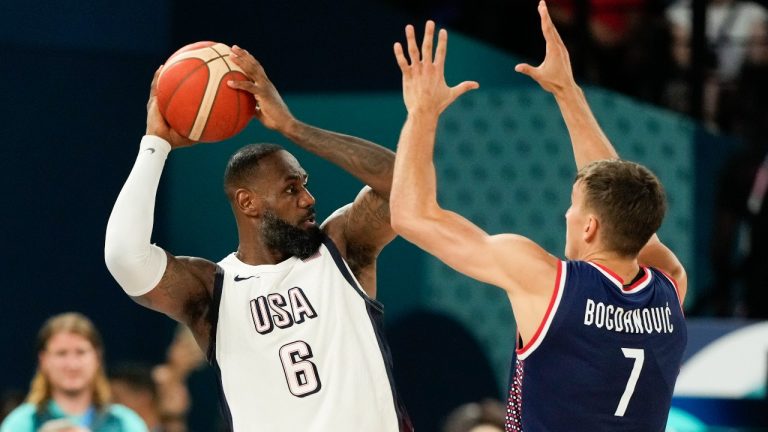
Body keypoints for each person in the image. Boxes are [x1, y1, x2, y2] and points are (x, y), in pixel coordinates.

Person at [389, 2, 687, 430]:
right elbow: (618, 193)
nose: (567, 214)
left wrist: (422, 113)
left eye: (574, 205)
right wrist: (567, 92)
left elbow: (411, 216)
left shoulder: (548, 283)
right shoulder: (669, 287)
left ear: (590, 225)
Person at [104, 46, 412, 431]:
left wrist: (293, 127)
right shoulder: (213, 290)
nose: (308, 199)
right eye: (291, 189)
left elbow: (405, 184)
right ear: (247, 202)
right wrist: (155, 145)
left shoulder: (341, 248)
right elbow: (124, 257)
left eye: (305, 185)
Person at [0, 312, 147, 432]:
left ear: (97, 357)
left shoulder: (124, 423)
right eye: (61, 354)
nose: (72, 365)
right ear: (43, 360)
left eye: (81, 352)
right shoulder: (22, 424)